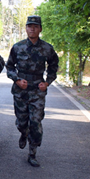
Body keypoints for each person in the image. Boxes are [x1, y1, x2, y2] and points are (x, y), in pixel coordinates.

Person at [5, 15, 59, 167]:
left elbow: (53, 67)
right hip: (20, 89)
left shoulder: (47, 48)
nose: (32, 28)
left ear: (40, 29)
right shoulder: (18, 47)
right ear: (26, 28)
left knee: (35, 122)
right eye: (30, 26)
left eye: (35, 26)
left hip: (37, 89)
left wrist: (47, 82)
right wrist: (16, 80)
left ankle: (32, 153)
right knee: (22, 122)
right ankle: (23, 132)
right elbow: (9, 67)